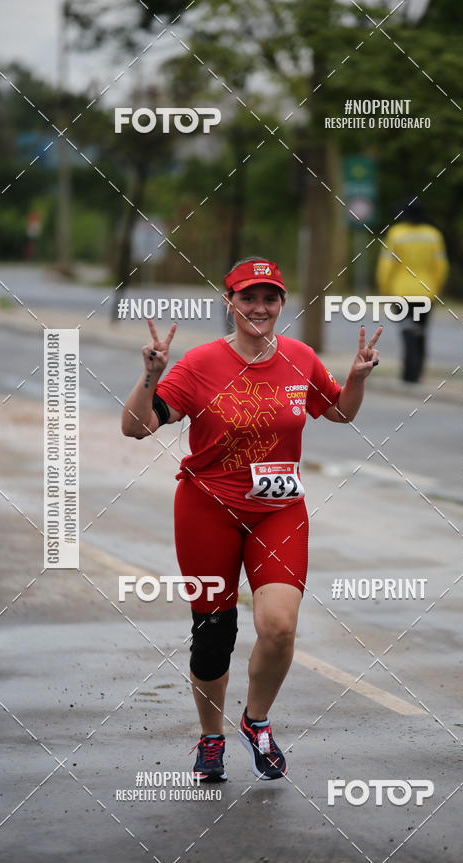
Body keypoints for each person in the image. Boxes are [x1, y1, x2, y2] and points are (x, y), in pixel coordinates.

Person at [121, 257, 382, 782]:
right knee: (214, 632)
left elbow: (340, 412)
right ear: (230, 302)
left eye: (270, 298)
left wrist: (355, 379)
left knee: (280, 627)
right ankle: (210, 737)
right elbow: (136, 428)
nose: (259, 307)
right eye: (248, 297)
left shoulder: (301, 358)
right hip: (207, 510)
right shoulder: (199, 364)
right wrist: (149, 377)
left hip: (278, 510)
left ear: (282, 303)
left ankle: (256, 722)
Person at [376, 199, 448, 383]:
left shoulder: (396, 234)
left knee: (407, 330)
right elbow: (441, 266)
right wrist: (438, 288)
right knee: (422, 332)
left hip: (401, 292)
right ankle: (418, 371)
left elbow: (386, 266)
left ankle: (409, 373)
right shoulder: (434, 235)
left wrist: (385, 290)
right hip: (426, 292)